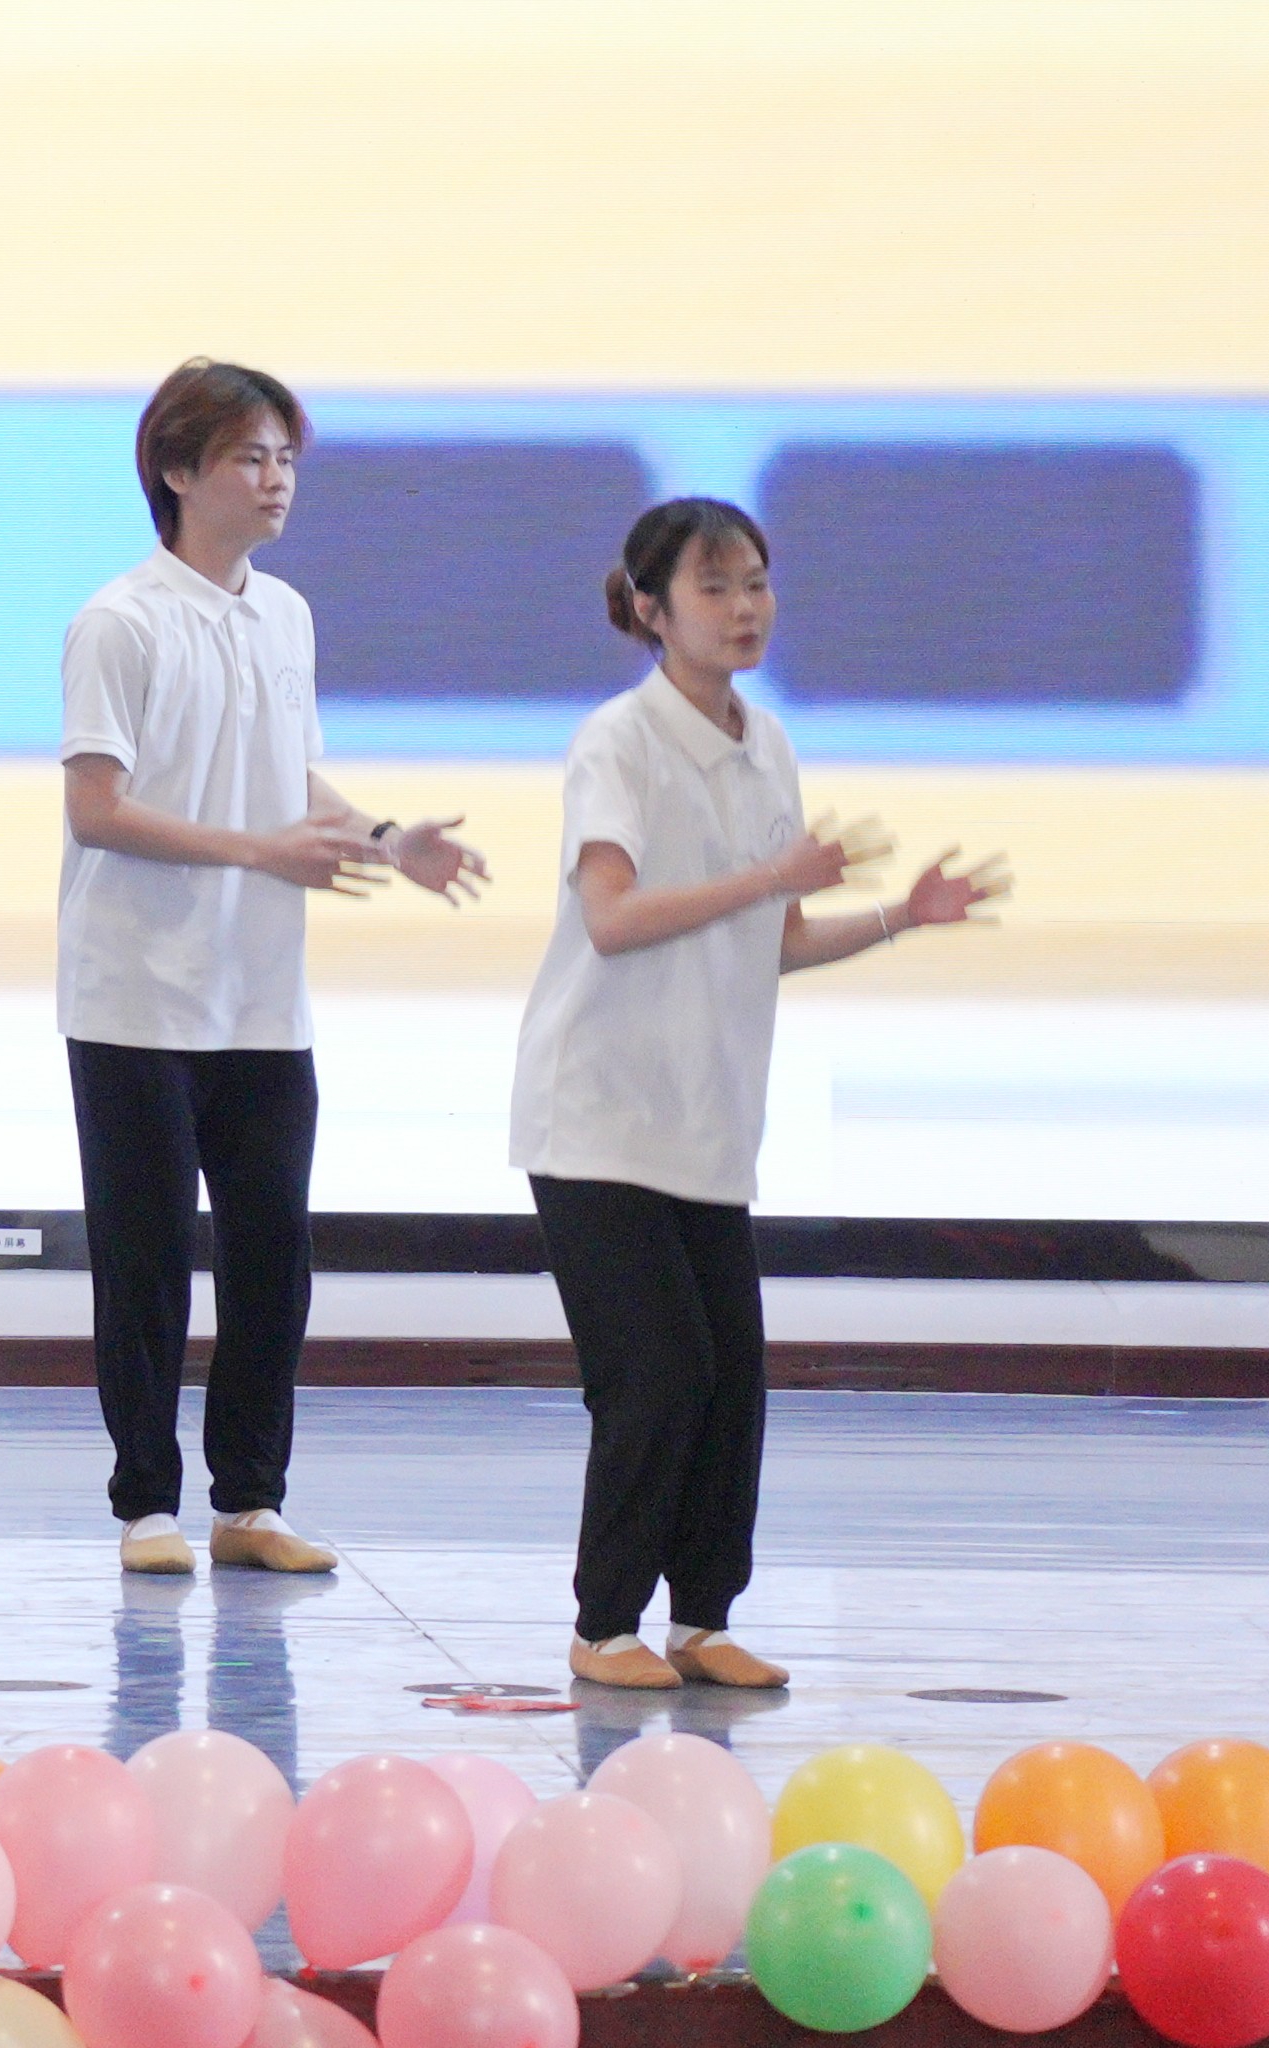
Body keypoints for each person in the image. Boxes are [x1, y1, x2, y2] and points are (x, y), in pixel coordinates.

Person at [504, 493, 999, 1697]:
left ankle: (703, 1619)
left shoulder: (766, 741)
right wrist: (766, 871)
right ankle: (603, 1625)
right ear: (650, 608)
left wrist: (899, 915)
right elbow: (613, 917)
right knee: (657, 1373)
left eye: (757, 582)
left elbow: (774, 937)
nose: (744, 607)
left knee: (731, 1384)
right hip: (599, 1114)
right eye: (715, 586)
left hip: (709, 1119)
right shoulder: (618, 741)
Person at [56, 358, 474, 1584]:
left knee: (270, 1258)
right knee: (145, 1262)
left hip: (260, 997)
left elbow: (290, 773)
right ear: (177, 471)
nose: (277, 477)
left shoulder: (284, 613)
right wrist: (259, 851)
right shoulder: (121, 621)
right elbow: (97, 807)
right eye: (250, 455)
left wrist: (385, 838)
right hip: (136, 994)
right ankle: (146, 1504)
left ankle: (250, 1497)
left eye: (287, 456)